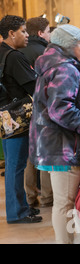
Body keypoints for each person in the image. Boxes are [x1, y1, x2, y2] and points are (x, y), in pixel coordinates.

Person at [29, 24, 80, 243]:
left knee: (65, 202)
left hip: (55, 145)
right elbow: (61, 109)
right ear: (68, 46)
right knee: (65, 203)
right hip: (63, 147)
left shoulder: (58, 65)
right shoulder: (63, 69)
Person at [0, 15, 41, 224]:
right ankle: (18, 212)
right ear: (11, 33)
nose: (27, 35)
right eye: (23, 31)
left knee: (12, 165)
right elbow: (33, 86)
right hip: (18, 117)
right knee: (16, 167)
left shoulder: (1, 53)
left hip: (5, 117)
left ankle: (20, 207)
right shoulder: (14, 56)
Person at [19, 16, 53, 209]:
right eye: (48, 31)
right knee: (46, 153)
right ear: (40, 33)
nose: (50, 35)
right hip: (43, 109)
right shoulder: (45, 52)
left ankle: (30, 196)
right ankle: (48, 197)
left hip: (25, 109)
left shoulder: (19, 50)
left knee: (30, 156)